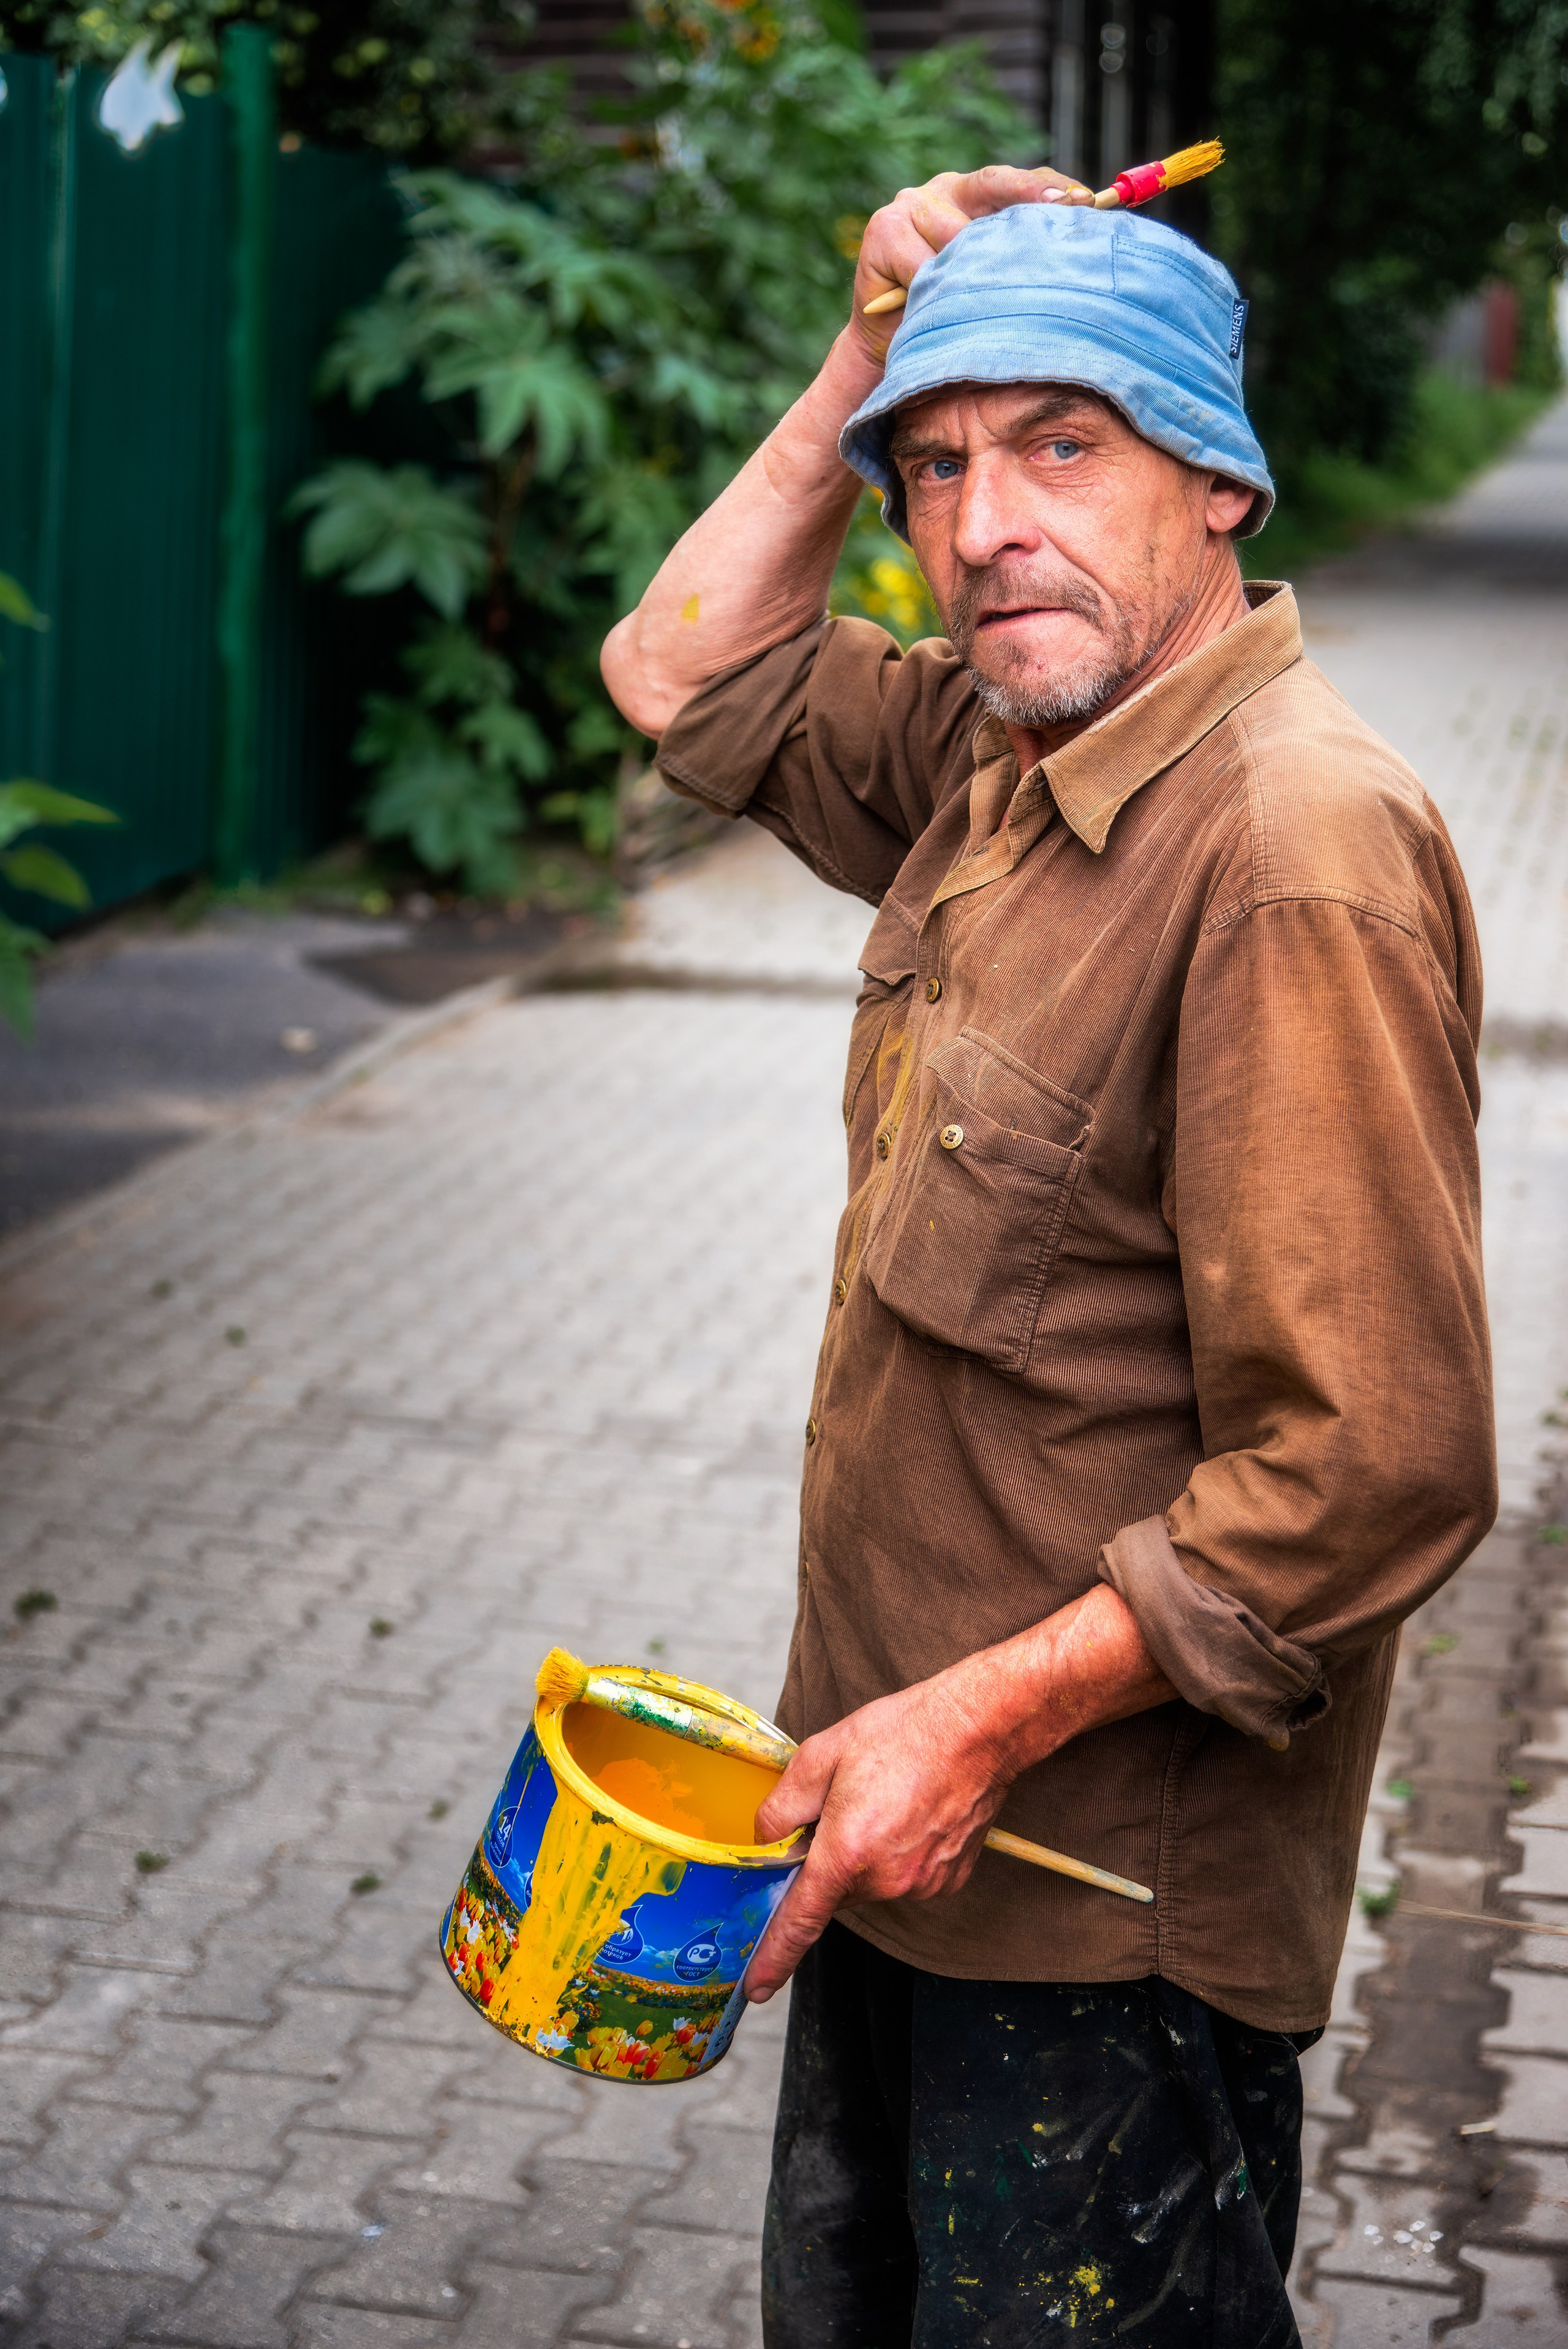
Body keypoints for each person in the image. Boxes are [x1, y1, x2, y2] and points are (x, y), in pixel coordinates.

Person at [601, 165, 1496, 2349]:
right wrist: (865, 346)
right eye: (935, 464)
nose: (985, 524)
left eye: (1060, 445)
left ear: (1218, 482)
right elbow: (678, 667)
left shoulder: (1288, 849)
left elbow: (1375, 1469)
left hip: (1099, 1934)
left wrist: (976, 1724)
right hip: (894, 1835)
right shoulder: (1006, 750)